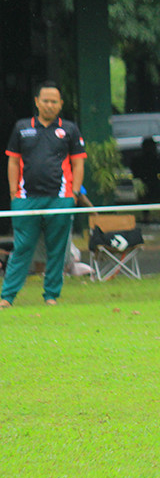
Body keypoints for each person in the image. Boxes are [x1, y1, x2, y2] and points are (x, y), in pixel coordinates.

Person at [2, 81, 85, 308]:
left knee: (57, 250)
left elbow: (78, 164)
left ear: (61, 104)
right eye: (45, 101)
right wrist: (13, 193)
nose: (49, 105)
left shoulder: (69, 129)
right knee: (22, 247)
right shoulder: (21, 127)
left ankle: (51, 295)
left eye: (54, 101)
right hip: (25, 199)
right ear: (37, 102)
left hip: (60, 198)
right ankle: (7, 297)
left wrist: (74, 193)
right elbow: (13, 161)